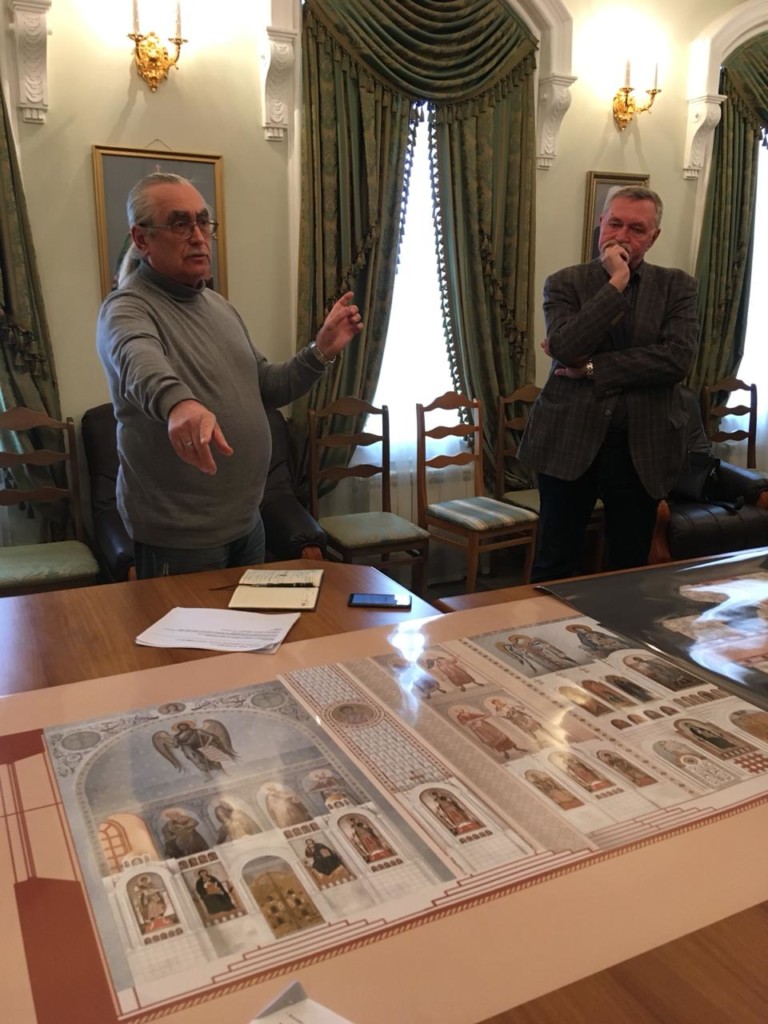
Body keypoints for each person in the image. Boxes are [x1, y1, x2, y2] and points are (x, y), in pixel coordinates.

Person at [97, 171, 363, 579]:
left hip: (247, 522)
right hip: (180, 536)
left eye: (203, 222)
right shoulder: (126, 308)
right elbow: (137, 359)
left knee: (247, 623)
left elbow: (267, 386)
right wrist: (179, 404)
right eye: (180, 223)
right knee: (189, 627)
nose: (198, 236)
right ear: (142, 238)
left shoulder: (219, 306)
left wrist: (320, 350)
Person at [518, 186, 698, 583]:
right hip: (569, 440)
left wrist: (592, 367)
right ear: (600, 223)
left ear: (654, 237)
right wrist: (616, 282)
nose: (622, 235)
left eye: (637, 228)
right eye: (614, 223)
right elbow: (566, 348)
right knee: (554, 563)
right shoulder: (565, 283)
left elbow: (676, 360)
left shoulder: (677, 287)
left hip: (643, 447)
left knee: (628, 568)